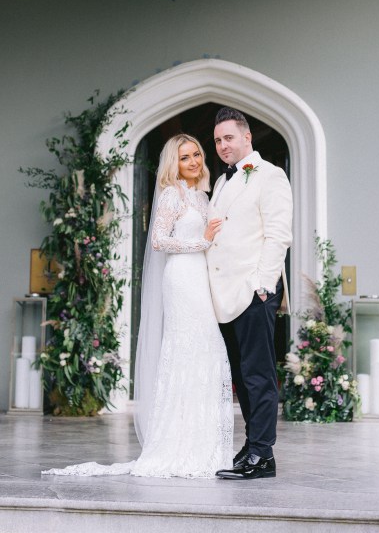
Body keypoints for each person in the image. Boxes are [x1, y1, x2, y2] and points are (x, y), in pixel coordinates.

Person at [42, 133, 233, 479]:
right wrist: (201, 241)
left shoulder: (202, 196)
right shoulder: (173, 196)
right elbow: (159, 240)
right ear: (174, 164)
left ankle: (203, 442)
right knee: (185, 351)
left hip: (201, 280)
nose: (193, 162)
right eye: (185, 157)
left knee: (205, 352)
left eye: (197, 155)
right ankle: (177, 444)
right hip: (181, 279)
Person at [206, 107, 293, 480]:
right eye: (218, 141)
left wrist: (263, 285)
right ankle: (252, 446)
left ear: (247, 137)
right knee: (242, 378)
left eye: (229, 138)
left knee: (258, 375)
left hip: (253, 292)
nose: (223, 146)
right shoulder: (224, 182)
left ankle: (263, 453)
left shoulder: (270, 176)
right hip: (224, 296)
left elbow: (278, 235)